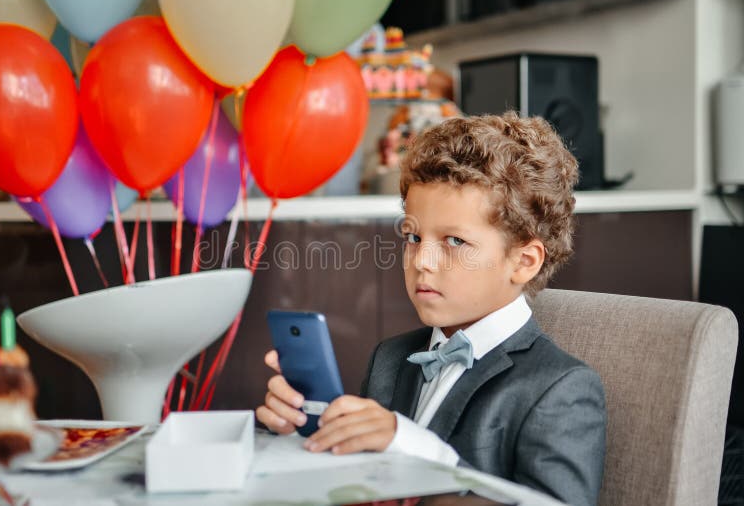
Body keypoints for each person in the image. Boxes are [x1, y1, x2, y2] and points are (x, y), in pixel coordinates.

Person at [257, 113, 607, 506]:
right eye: (413, 236)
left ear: (524, 261)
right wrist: (300, 432)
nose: (422, 259)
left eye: (454, 241)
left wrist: (410, 444)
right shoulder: (390, 359)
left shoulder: (560, 389)